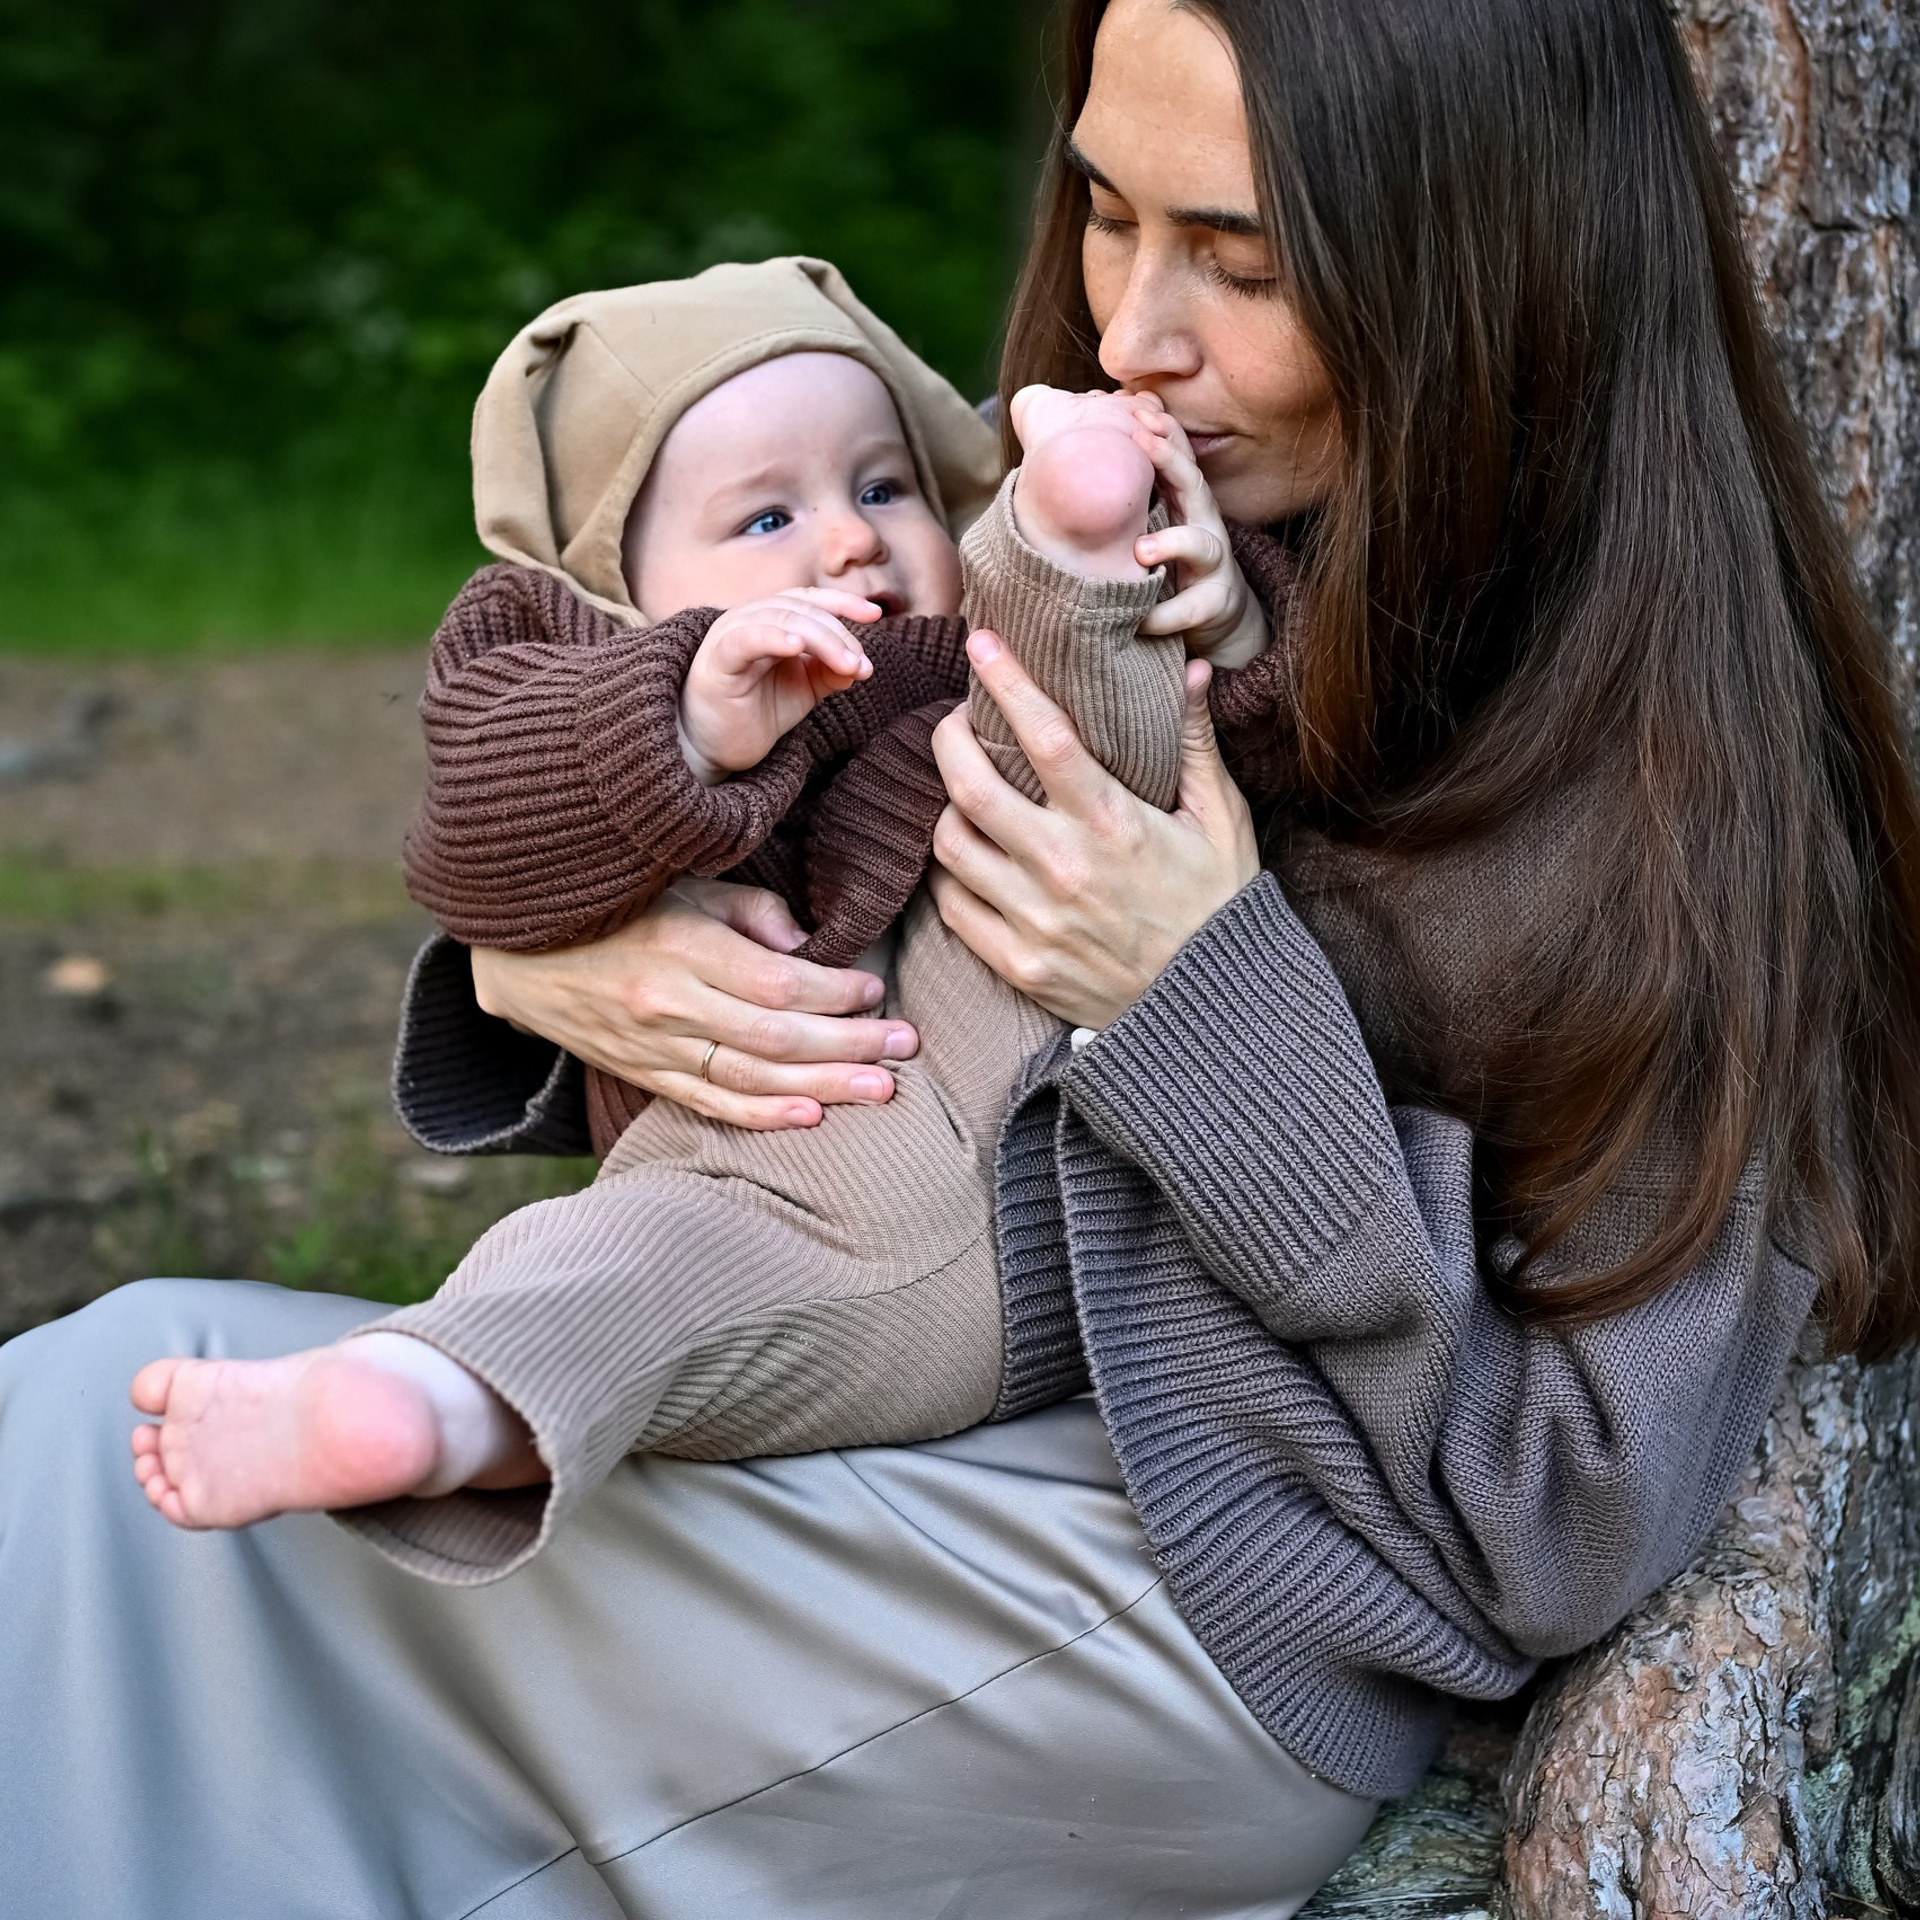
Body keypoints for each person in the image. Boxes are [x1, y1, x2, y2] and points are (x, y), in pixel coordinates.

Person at [6, 0, 1919, 1914]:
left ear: (1487, 274)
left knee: (120, 1509)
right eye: (1105, 216)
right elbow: (847, 915)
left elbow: (1562, 1519)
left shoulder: (1686, 810)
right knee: (103, 1431)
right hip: (913, 1418)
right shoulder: (1120, 543)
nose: (1132, 335)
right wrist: (556, 957)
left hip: (1176, 1605)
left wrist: (1202, 1001)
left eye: (1239, 261)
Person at [124, 262, 1265, 1568]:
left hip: (1094, 1169)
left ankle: (1080, 546)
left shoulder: (953, 657)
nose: (848, 540)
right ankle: (423, 1401)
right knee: (633, 1271)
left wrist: (1215, 616)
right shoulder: (584, 690)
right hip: (803, 1197)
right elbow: (475, 839)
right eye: (766, 518)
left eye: (884, 487)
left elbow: (1224, 746)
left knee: (1055, 718)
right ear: (616, 592)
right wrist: (679, 713)